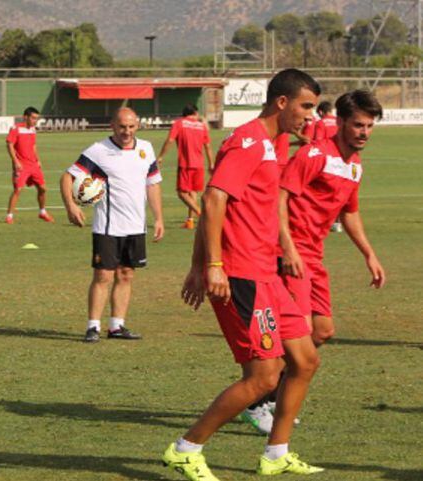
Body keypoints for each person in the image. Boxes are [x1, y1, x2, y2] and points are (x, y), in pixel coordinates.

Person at [164, 69, 323, 480]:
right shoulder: (249, 141)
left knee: (304, 360)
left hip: (266, 275)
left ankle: (276, 453)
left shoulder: (277, 143)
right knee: (263, 375)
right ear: (282, 102)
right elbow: (213, 199)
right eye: (306, 106)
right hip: (241, 276)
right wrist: (210, 266)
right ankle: (187, 448)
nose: (311, 115)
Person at [280, 89, 386, 348]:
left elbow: (349, 213)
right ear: (339, 122)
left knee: (322, 331)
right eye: (358, 125)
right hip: (293, 251)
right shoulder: (314, 155)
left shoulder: (354, 166)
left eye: (370, 126)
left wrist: (369, 254)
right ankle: (268, 381)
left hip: (314, 255)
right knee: (300, 332)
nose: (364, 132)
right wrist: (287, 248)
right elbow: (278, 198)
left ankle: (276, 383)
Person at [60, 107, 164, 343]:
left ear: (137, 125)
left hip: (136, 225)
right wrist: (71, 206)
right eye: (122, 127)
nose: (126, 132)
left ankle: (117, 326)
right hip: (108, 227)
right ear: (112, 125)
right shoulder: (98, 151)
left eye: (131, 127)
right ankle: (93, 327)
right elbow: (67, 177)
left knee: (126, 275)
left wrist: (158, 217)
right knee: (103, 276)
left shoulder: (146, 149)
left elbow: (153, 184)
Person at [156, 104, 214, 229]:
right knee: (193, 192)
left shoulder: (179, 123)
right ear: (195, 113)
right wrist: (211, 164)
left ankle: (201, 214)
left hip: (186, 164)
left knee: (182, 193)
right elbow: (208, 146)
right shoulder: (201, 126)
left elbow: (170, 140)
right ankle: (190, 221)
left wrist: (160, 156)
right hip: (199, 164)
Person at [5, 107, 53, 224]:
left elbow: (33, 146)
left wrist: (38, 160)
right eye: (33, 118)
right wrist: (16, 161)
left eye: (37, 118)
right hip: (22, 165)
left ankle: (42, 212)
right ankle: (9, 216)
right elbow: (9, 144)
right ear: (25, 117)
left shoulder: (32, 129)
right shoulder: (16, 128)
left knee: (43, 189)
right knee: (18, 189)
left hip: (33, 165)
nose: (35, 121)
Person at [313, 100, 344, 233]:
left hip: (327, 160)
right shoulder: (340, 121)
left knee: (322, 191)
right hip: (342, 158)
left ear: (320, 112)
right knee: (339, 191)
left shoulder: (320, 123)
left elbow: (318, 142)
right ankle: (338, 222)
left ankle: (324, 221)